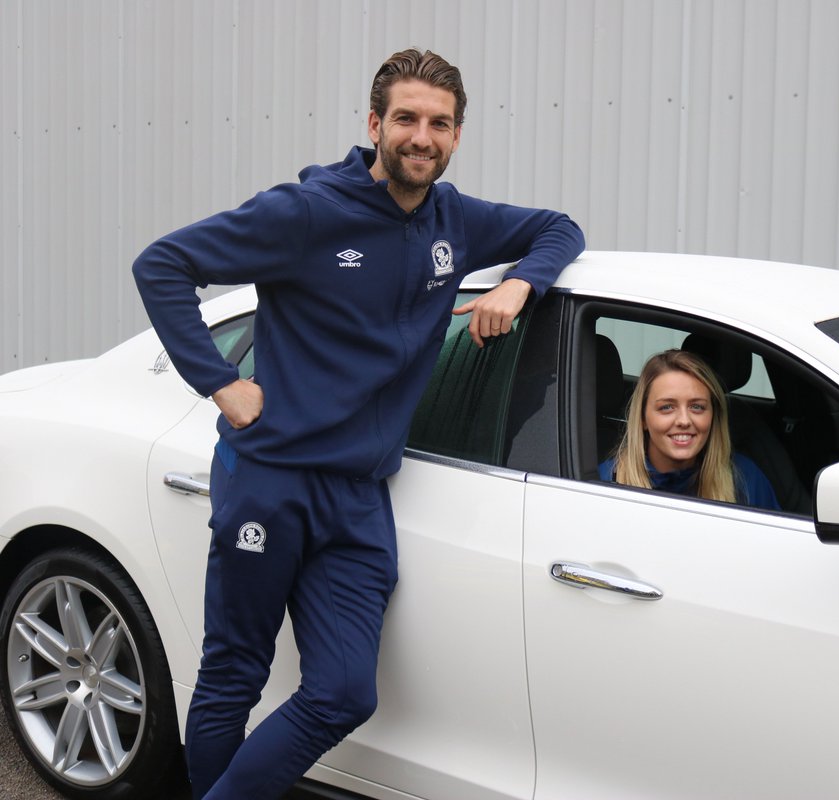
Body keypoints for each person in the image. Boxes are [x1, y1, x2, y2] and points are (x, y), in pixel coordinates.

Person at [132, 48, 584, 799]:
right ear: (375, 125)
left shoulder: (455, 220)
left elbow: (559, 228)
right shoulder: (306, 213)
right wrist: (222, 384)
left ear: (457, 136)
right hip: (270, 479)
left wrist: (519, 283)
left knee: (344, 693)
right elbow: (162, 265)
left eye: (439, 123)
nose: (421, 137)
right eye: (406, 119)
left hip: (359, 496)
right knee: (235, 673)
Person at [599, 349, 780, 509]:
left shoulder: (745, 479)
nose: (684, 421)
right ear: (642, 419)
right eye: (667, 407)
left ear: (713, 416)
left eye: (697, 407)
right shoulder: (603, 482)